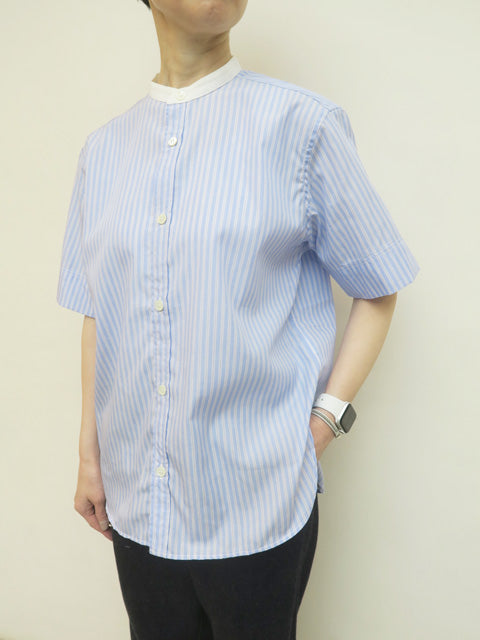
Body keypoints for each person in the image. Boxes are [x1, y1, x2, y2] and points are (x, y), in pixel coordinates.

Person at [56, 1, 420, 638]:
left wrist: (323, 425)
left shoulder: (303, 126)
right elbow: (98, 313)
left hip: (259, 499)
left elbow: (378, 287)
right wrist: (90, 456)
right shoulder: (103, 151)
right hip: (138, 496)